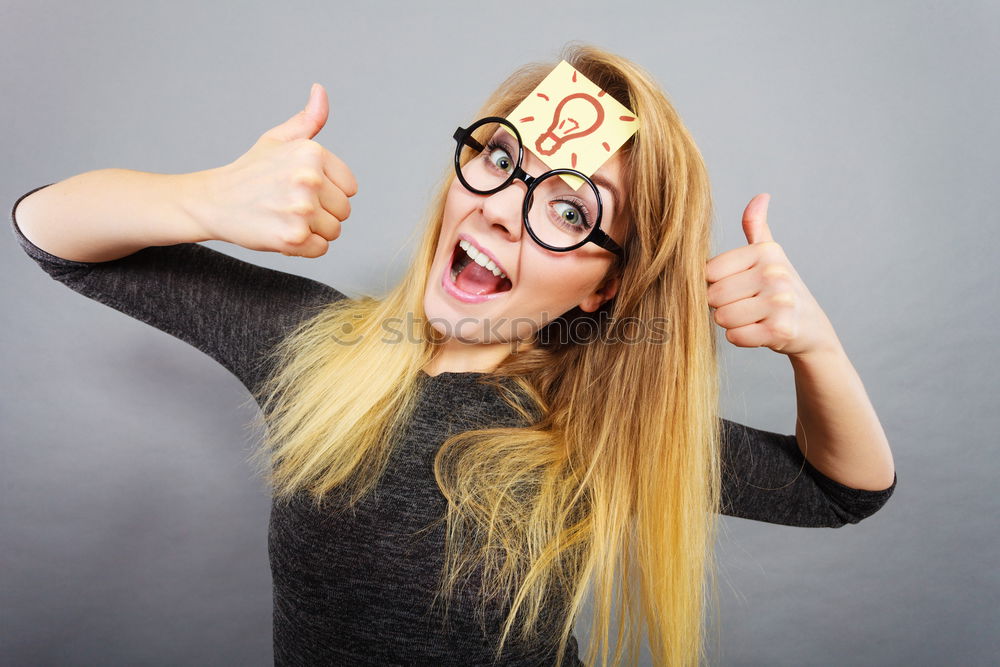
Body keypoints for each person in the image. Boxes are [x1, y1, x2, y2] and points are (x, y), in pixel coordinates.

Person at [11, 44, 896, 667]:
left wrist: (813, 345)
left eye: (566, 211)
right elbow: (48, 232)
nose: (504, 208)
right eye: (501, 158)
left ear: (603, 288)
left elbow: (843, 489)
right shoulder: (318, 350)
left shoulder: (603, 432)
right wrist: (205, 199)